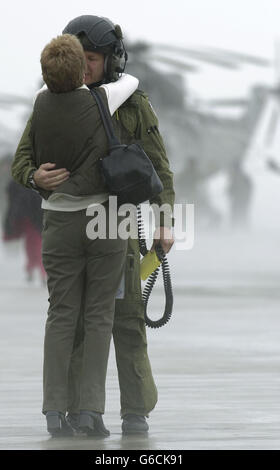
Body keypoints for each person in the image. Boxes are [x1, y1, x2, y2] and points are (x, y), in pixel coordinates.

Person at [12, 15, 175, 435]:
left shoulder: (134, 105)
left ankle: (134, 410)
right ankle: (76, 411)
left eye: (92, 59)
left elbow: (160, 167)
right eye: (79, 59)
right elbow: (22, 158)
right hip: (83, 226)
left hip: (117, 226)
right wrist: (35, 176)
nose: (84, 68)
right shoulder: (53, 101)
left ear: (109, 61)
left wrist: (166, 221)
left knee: (127, 320)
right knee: (81, 322)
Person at [3, 180, 46, 283]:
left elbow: (12, 201)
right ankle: (38, 269)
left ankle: (34, 268)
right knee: (35, 244)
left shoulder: (18, 181)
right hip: (32, 217)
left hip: (29, 217)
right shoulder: (32, 180)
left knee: (33, 244)